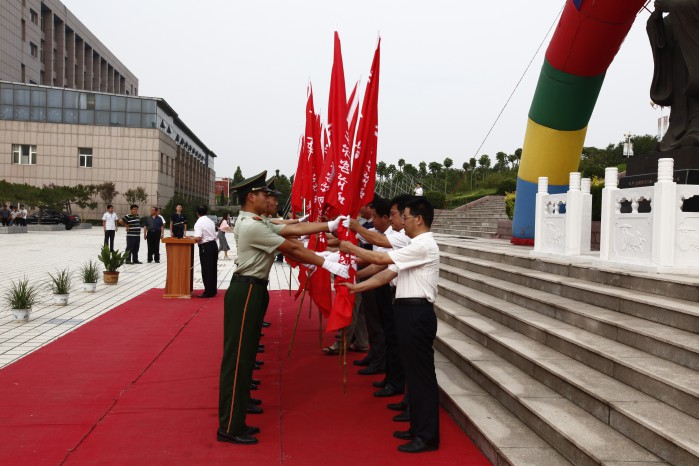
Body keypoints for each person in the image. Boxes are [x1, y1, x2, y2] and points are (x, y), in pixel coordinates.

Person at [217, 170, 349, 446]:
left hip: (253, 289)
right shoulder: (253, 225)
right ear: (251, 197)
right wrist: (328, 263)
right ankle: (230, 426)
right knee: (237, 358)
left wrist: (329, 227)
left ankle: (238, 412)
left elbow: (294, 229)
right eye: (265, 194)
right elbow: (292, 247)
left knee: (246, 354)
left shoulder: (255, 220)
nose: (269, 198)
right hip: (246, 291)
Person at [339, 197, 440, 453]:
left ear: (418, 219)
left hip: (417, 313)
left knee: (421, 377)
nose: (402, 224)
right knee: (413, 375)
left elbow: (384, 260)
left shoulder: (423, 245)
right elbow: (388, 273)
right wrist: (356, 287)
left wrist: (350, 248)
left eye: (404, 218)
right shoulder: (416, 245)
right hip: (407, 311)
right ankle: (417, 428)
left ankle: (426, 436)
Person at [647, 0, 699, 151]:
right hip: (679, 55)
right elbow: (669, 24)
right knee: (680, 91)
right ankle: (678, 131)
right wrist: (657, 19)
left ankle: (696, 126)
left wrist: (673, 5)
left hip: (694, 51)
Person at [190, 205, 218, 298]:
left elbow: (198, 237)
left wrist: (191, 239)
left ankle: (208, 292)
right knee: (213, 268)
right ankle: (213, 290)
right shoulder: (210, 221)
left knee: (206, 269)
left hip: (206, 247)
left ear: (197, 213)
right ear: (206, 212)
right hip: (213, 245)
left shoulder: (199, 223)